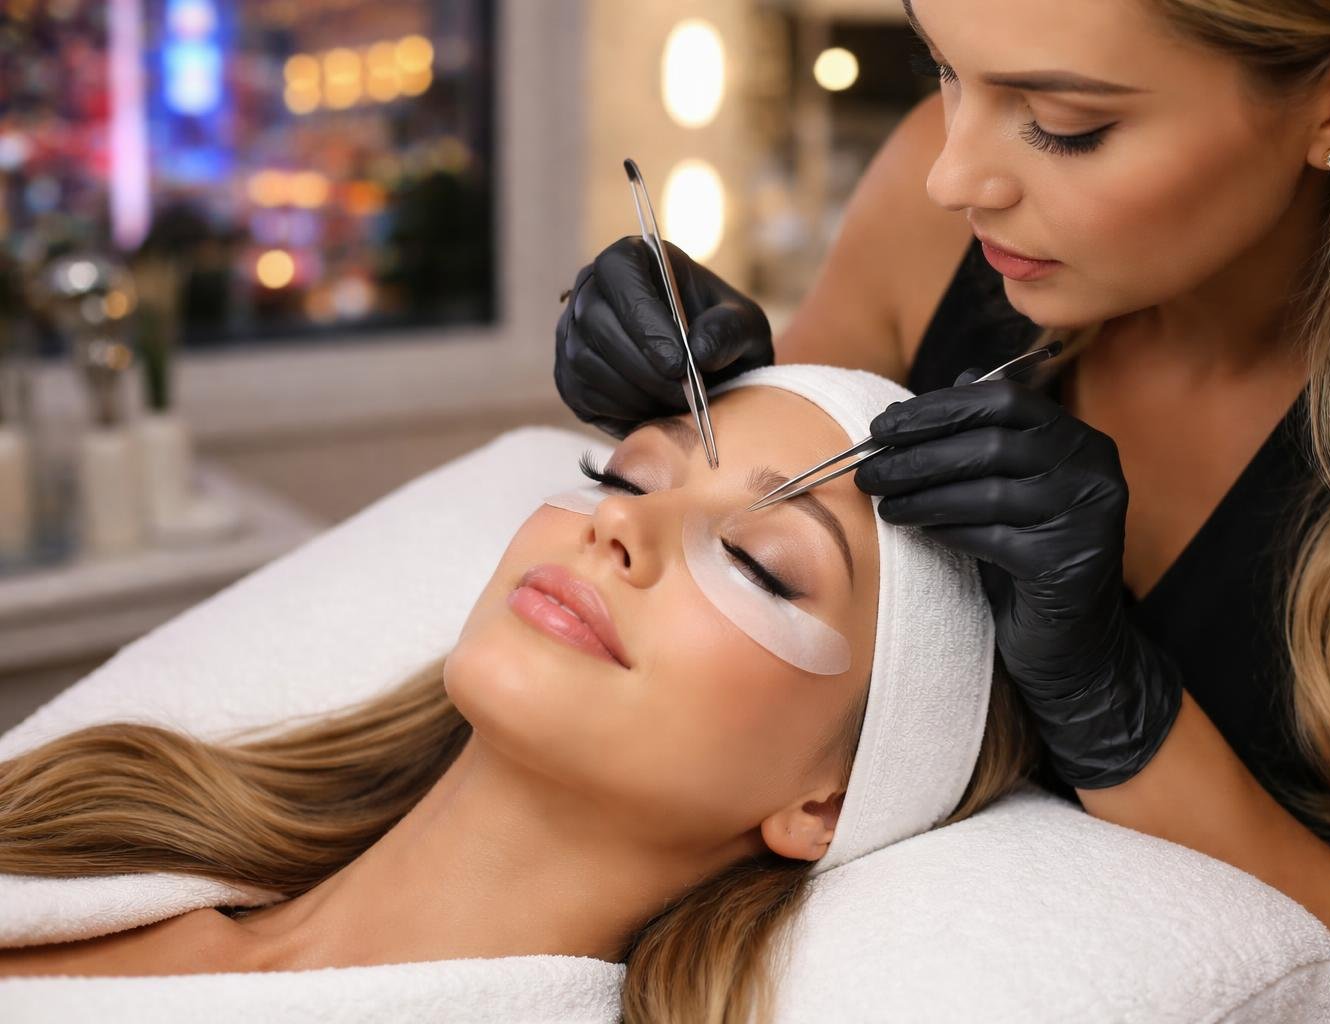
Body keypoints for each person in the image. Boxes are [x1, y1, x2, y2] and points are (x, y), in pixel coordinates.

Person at [553, 1, 1330, 1019]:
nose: (952, 175)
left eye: (1064, 124)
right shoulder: (929, 214)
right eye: (944, 70)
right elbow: (748, 526)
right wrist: (676, 403)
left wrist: (1116, 705)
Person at [0, 369, 1033, 1024]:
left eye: (763, 563)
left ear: (826, 800)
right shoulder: (94, 804)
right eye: (631, 475)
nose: (622, 527)